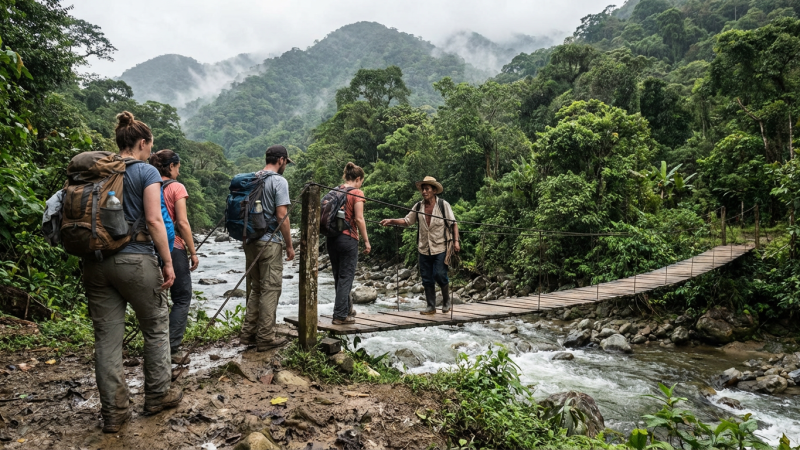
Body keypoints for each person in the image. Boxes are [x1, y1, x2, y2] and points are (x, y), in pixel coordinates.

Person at [83, 111, 181, 433]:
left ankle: (114, 414)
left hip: (95, 263)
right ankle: (157, 396)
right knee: (155, 326)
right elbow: (154, 221)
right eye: (149, 146)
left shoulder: (98, 173)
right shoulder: (146, 173)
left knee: (107, 339)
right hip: (135, 260)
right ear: (142, 143)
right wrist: (167, 262)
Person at [239, 145, 295, 352]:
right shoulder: (279, 181)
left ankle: (248, 334)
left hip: (250, 241)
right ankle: (265, 337)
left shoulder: (253, 178)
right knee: (271, 289)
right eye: (286, 163)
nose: (285, 167)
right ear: (281, 160)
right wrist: (289, 245)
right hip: (270, 242)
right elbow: (282, 216)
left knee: (256, 288)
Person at [380, 176, 460, 315]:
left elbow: (453, 223)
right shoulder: (418, 206)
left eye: (427, 188)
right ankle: (431, 306)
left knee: (439, 274)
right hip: (424, 248)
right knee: (426, 277)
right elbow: (407, 221)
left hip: (440, 246)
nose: (424, 191)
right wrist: (392, 220)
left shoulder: (443, 205)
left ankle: (446, 301)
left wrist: (456, 242)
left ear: (434, 190)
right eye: (423, 189)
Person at [148, 149, 199, 365]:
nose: (179, 170)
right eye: (178, 166)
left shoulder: (148, 184)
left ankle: (155, 346)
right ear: (171, 166)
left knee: (158, 298)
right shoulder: (176, 187)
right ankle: (171, 348)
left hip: (148, 248)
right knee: (182, 297)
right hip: (173, 248)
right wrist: (193, 251)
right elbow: (182, 223)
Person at [328, 162, 371, 325]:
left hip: (331, 239)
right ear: (358, 179)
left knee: (339, 277)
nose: (361, 184)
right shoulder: (357, 192)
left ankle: (347, 309)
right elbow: (359, 218)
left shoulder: (335, 191)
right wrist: (366, 241)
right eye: (361, 181)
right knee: (346, 277)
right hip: (348, 239)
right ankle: (339, 316)